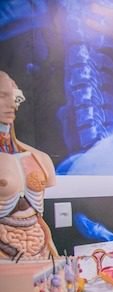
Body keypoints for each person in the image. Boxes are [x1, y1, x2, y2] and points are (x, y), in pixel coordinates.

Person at [0, 71, 58, 261]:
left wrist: (54, 253)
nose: (11, 104)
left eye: (13, 96)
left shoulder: (39, 159)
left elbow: (39, 218)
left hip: (41, 253)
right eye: (2, 96)